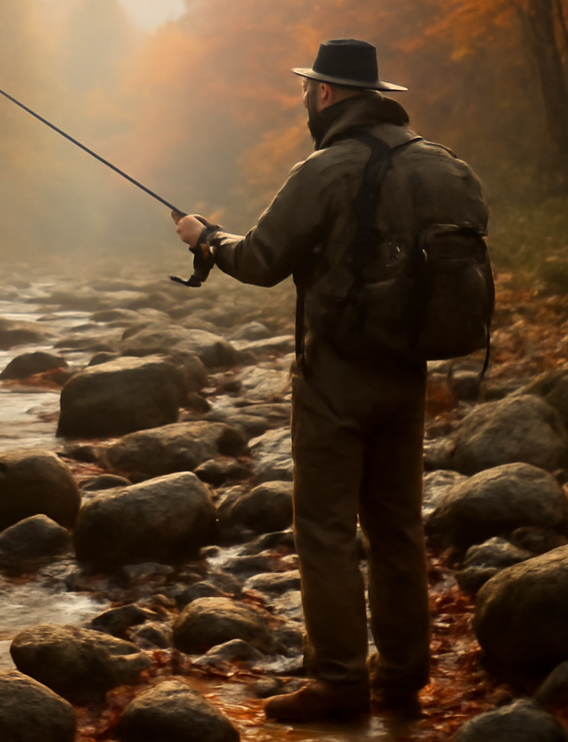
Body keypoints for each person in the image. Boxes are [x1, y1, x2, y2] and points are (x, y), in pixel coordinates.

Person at [172, 38, 489, 722]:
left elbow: (259, 260)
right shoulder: (443, 165)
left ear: (324, 94)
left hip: (335, 377)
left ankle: (339, 684)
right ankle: (403, 678)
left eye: (308, 89)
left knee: (323, 529)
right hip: (408, 372)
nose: (305, 100)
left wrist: (205, 238)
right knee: (399, 528)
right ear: (378, 93)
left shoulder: (325, 168)